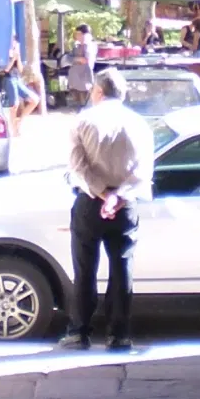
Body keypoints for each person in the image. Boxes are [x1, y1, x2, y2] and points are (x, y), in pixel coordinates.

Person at [59, 68, 153, 352]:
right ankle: (119, 335)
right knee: (122, 266)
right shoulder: (139, 124)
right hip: (124, 206)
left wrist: (102, 193)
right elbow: (144, 170)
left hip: (89, 202)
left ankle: (80, 332)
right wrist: (119, 197)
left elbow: (77, 166)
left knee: (85, 267)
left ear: (98, 92)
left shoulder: (83, 121)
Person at [64, 23, 94, 109]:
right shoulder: (76, 46)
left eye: (79, 34)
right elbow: (68, 59)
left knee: (86, 106)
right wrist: (77, 59)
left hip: (84, 81)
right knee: (78, 105)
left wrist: (75, 59)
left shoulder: (90, 46)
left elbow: (86, 60)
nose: (77, 36)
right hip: (74, 81)